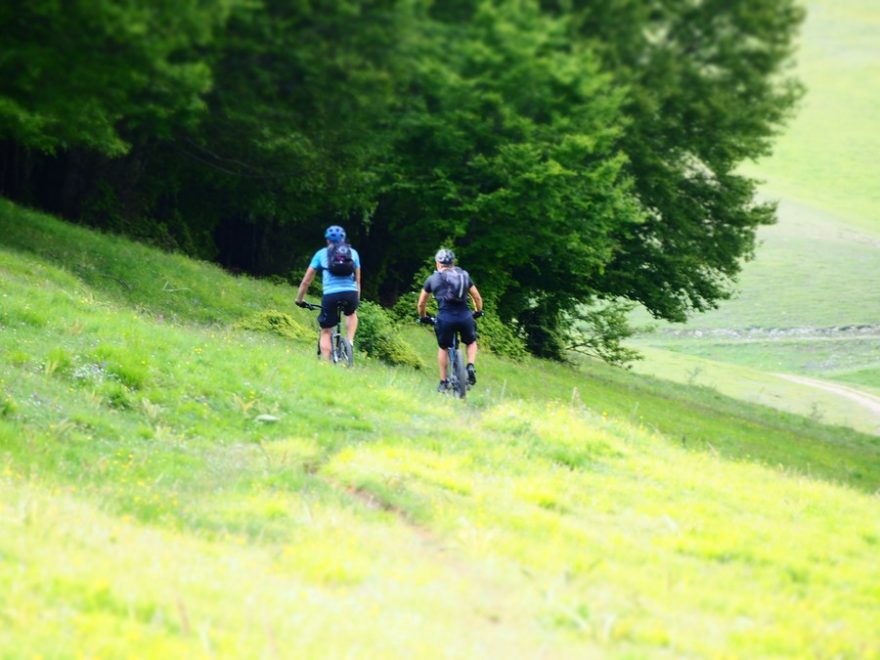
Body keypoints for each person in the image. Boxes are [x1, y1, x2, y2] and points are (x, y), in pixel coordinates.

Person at [417, 248, 484, 392]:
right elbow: (477, 297)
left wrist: (423, 317)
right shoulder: (464, 275)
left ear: (437, 263)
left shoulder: (432, 279)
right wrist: (478, 311)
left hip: (445, 319)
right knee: (471, 342)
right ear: (453, 263)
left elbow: (421, 303)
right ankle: (470, 365)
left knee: (443, 347)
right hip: (465, 316)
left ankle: (443, 382)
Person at [295, 225, 361, 360]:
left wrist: (299, 299)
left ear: (327, 240)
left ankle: (326, 363)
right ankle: (349, 342)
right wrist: (356, 299)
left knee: (326, 330)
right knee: (352, 313)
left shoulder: (321, 254)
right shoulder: (353, 253)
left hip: (331, 295)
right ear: (344, 238)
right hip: (351, 293)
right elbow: (358, 280)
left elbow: (306, 281)